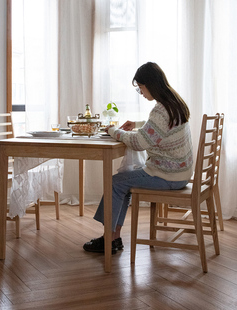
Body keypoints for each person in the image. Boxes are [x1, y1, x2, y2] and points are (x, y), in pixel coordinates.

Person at [83, 62, 193, 254]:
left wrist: (113, 131)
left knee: (116, 183)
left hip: (167, 176)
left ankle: (109, 239)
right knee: (123, 181)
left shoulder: (160, 110)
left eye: (141, 87)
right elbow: (162, 127)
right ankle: (114, 238)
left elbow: (140, 143)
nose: (141, 92)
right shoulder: (174, 103)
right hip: (180, 173)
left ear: (150, 84)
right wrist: (138, 123)